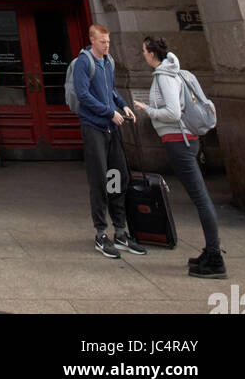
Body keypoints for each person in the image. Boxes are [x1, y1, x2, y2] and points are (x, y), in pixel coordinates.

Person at [134, 37, 226, 279]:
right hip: (186, 140)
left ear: (152, 53)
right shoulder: (179, 72)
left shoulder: (164, 76)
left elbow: (174, 112)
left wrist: (148, 110)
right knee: (200, 197)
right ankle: (210, 252)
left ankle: (215, 257)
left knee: (201, 198)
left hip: (180, 142)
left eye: (144, 50)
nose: (143, 54)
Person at [74, 23, 145, 259]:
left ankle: (121, 230)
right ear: (92, 40)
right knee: (99, 179)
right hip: (94, 128)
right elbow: (83, 95)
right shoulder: (84, 63)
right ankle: (101, 232)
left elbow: (111, 90)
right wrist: (108, 112)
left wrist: (123, 105)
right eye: (103, 41)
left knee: (117, 176)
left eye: (108, 42)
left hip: (112, 128)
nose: (107, 45)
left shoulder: (109, 62)